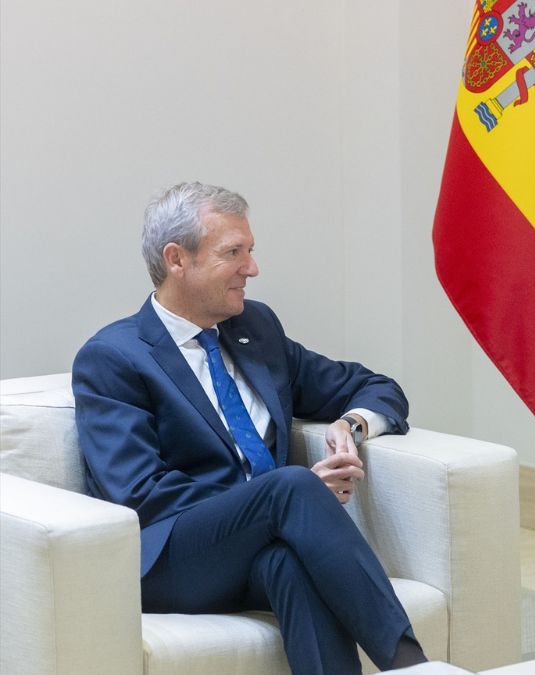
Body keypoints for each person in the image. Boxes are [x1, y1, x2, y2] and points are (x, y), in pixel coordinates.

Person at [72, 182, 427, 674]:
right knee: (291, 488)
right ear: (177, 259)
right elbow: (140, 495)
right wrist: (272, 499)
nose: (252, 269)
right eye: (233, 253)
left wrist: (353, 426)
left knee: (292, 564)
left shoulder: (255, 329)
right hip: (167, 560)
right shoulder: (113, 357)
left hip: (254, 549)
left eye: (250, 251)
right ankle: (413, 667)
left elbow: (375, 386)